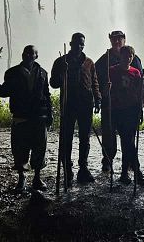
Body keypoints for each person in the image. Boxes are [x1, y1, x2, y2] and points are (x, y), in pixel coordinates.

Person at [0, 45, 52, 192]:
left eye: (32, 54)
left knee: (39, 148)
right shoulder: (12, 73)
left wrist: (50, 114)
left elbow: (47, 95)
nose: (29, 56)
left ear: (37, 56)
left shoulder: (43, 73)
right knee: (20, 149)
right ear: (22, 54)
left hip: (39, 116)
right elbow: (4, 91)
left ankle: (37, 178)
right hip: (21, 117)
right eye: (26, 53)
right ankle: (21, 179)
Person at [50, 33, 101, 186]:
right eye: (76, 43)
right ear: (70, 44)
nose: (79, 46)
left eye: (82, 44)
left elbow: (95, 82)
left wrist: (97, 99)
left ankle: (83, 168)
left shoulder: (89, 63)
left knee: (85, 138)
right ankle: (67, 168)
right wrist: (62, 73)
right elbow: (53, 83)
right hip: (68, 105)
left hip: (85, 105)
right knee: (67, 137)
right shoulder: (61, 62)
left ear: (84, 45)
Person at [95, 31, 144, 173]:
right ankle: (107, 160)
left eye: (119, 39)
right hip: (110, 104)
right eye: (114, 39)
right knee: (109, 134)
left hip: (129, 106)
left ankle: (129, 162)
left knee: (128, 136)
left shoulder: (134, 59)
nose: (117, 42)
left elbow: (139, 83)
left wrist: (140, 104)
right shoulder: (105, 60)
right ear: (110, 40)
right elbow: (96, 79)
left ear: (124, 40)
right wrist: (100, 96)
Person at [109, 45, 144, 185]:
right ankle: (136, 171)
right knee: (128, 141)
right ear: (120, 56)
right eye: (125, 56)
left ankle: (126, 172)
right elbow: (107, 89)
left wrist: (140, 110)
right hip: (118, 110)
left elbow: (139, 94)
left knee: (128, 142)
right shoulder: (112, 71)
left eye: (130, 56)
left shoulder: (136, 73)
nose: (128, 58)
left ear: (133, 57)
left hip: (131, 110)